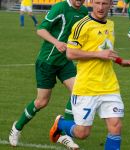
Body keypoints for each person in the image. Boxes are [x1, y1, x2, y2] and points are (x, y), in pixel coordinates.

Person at [49, 0, 130, 149]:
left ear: (111, 4)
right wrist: (98, 55)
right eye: (97, 2)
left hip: (109, 85)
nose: (101, 7)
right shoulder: (82, 25)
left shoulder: (110, 24)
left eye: (105, 3)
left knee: (116, 127)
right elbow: (70, 53)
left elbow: (106, 49)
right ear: (92, 3)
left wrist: (119, 61)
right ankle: (61, 123)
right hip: (87, 87)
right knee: (82, 133)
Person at [9, 0, 88, 149]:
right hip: (47, 61)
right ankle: (17, 127)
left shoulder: (83, 12)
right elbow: (40, 29)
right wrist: (57, 42)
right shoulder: (60, 7)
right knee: (41, 102)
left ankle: (63, 133)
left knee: (79, 91)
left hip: (65, 61)